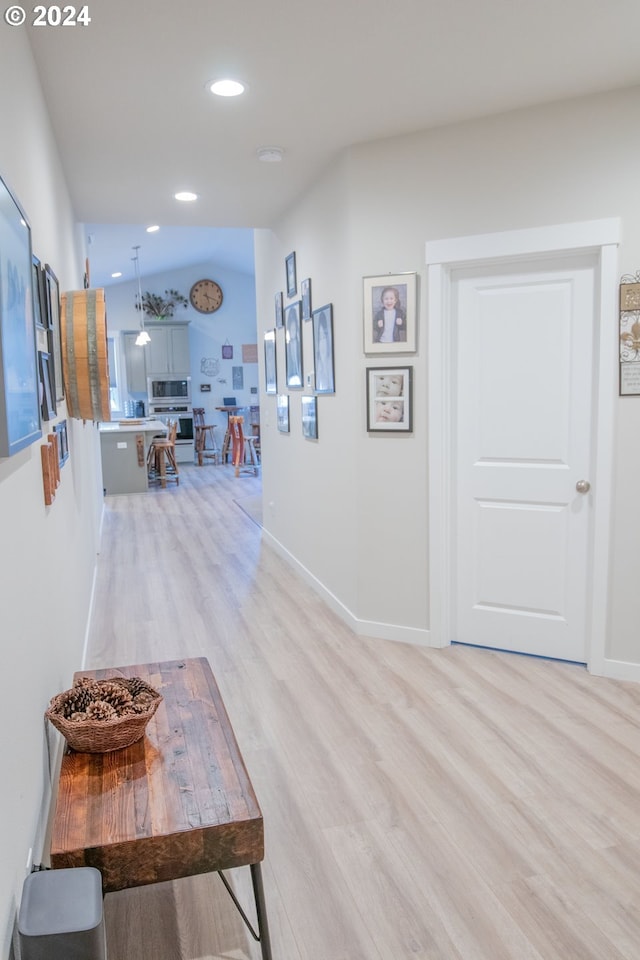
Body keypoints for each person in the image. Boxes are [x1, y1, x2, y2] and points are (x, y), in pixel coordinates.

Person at [314, 309, 334, 392]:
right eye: (319, 338)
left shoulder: (330, 364)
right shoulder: (318, 368)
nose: (321, 343)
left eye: (324, 338)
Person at [286, 306, 302, 386]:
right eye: (291, 329)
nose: (293, 331)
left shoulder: (299, 345)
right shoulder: (288, 347)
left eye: (294, 329)